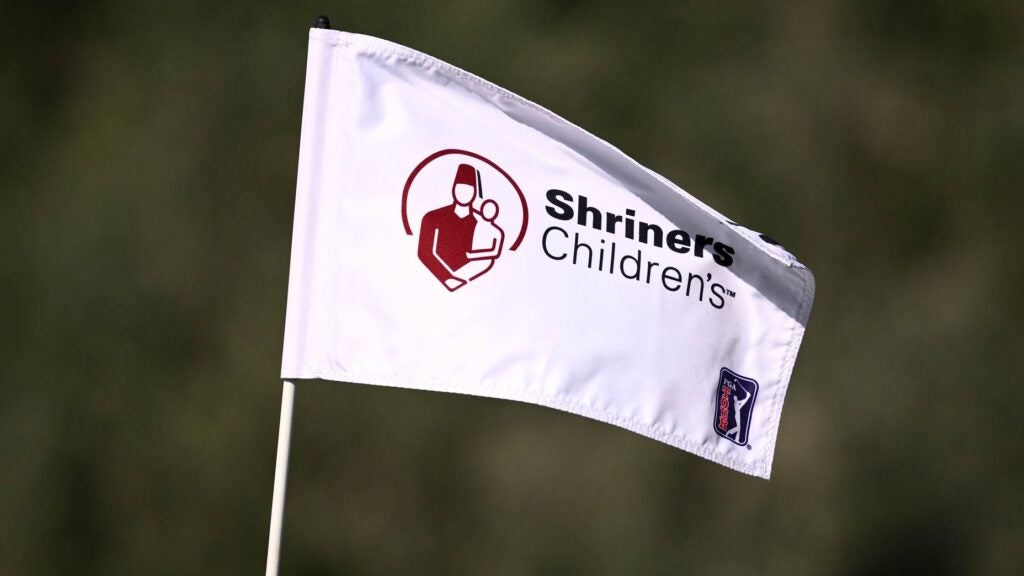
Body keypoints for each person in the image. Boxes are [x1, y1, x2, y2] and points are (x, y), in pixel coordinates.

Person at [417, 163, 479, 291]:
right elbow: (424, 252)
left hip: (472, 282)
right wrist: (446, 277)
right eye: (460, 188)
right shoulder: (432, 217)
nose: (464, 193)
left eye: (469, 189)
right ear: (453, 189)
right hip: (429, 285)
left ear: (475, 193)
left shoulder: (477, 221)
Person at [453, 199, 504, 282]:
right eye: (485, 209)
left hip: (483, 261)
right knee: (455, 274)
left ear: (495, 214)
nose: (487, 213)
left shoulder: (496, 232)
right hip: (469, 257)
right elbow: (470, 210)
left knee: (461, 277)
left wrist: (474, 255)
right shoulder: (478, 221)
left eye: (490, 211)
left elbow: (495, 252)